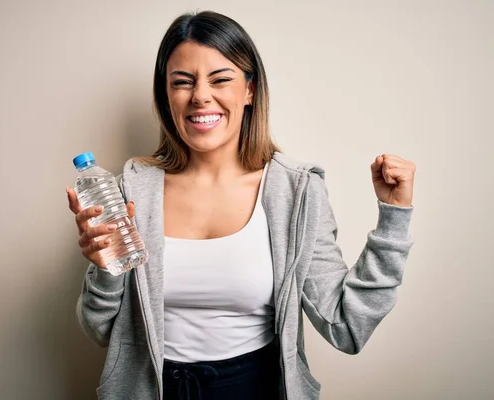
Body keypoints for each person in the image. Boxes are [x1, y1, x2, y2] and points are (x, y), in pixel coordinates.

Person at [66, 10, 416, 400]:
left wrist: (393, 220)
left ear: (249, 90)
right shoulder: (130, 192)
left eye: (220, 79)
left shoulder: (295, 191)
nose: (200, 95)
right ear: (166, 96)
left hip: (256, 388)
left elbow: (347, 324)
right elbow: (98, 330)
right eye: (182, 82)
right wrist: (107, 270)